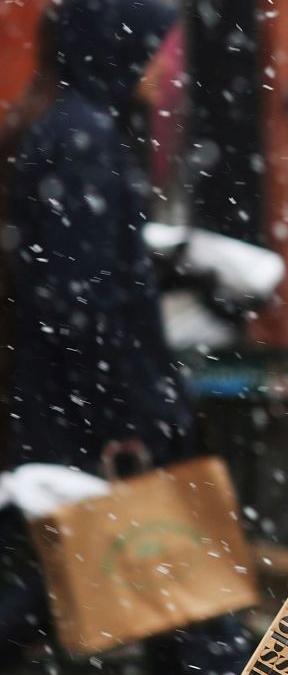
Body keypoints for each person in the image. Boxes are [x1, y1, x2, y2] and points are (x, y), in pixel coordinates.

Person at [0, 0, 247, 670]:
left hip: (69, 414)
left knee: (83, 582)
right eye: (153, 45)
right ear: (116, 46)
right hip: (101, 422)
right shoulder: (84, 135)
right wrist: (128, 412)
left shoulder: (64, 125)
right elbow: (81, 299)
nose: (164, 66)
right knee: (185, 598)